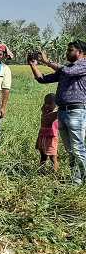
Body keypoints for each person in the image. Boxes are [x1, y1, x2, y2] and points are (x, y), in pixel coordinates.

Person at [29, 41, 86, 184]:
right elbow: (43, 79)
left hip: (76, 111)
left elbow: (66, 71)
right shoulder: (65, 69)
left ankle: (83, 178)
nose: (67, 53)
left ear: (81, 52)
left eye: (70, 50)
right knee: (70, 150)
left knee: (78, 148)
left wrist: (46, 61)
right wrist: (33, 65)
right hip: (62, 112)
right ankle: (76, 180)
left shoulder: (83, 65)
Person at [0, 44, 12, 148]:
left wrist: (3, 107)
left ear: (3, 56)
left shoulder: (5, 69)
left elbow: (6, 89)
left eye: (0, 54)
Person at [36, 93, 59, 171]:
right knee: (43, 156)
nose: (47, 105)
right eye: (45, 103)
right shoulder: (44, 112)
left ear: (56, 104)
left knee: (53, 157)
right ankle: (41, 171)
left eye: (50, 103)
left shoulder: (56, 114)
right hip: (42, 137)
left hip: (51, 139)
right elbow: (42, 108)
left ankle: (55, 173)